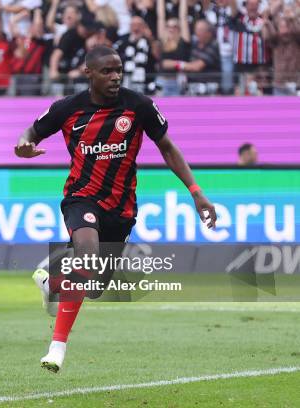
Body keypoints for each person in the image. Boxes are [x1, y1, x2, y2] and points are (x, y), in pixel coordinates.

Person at [14, 45, 217, 373]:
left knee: (93, 287)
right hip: (82, 198)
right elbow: (31, 132)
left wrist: (196, 193)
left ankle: (52, 282)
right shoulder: (67, 109)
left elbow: (167, 147)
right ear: (88, 73)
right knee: (87, 256)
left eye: (118, 70)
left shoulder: (138, 106)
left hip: (121, 208)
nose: (115, 77)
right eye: (107, 71)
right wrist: (25, 146)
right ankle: (56, 348)